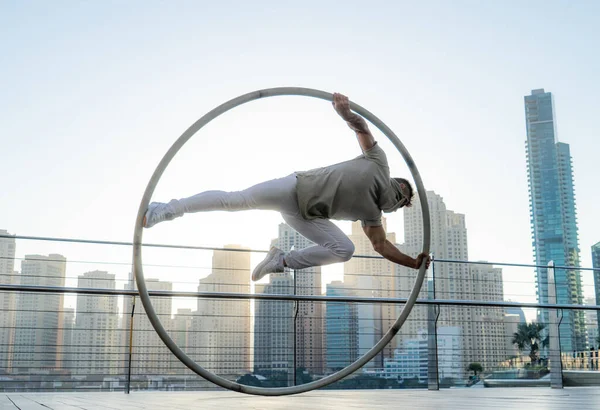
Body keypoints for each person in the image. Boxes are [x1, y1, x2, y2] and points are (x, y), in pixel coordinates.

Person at [143, 92, 431, 281]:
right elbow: (362, 130)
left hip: (306, 216)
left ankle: (282, 260)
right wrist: (346, 114)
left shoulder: (372, 217)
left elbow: (381, 246)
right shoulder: (379, 164)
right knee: (236, 201)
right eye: (403, 198)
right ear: (399, 187)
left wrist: (412, 263)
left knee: (345, 249)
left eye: (402, 206)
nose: (399, 204)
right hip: (294, 189)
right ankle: (166, 210)